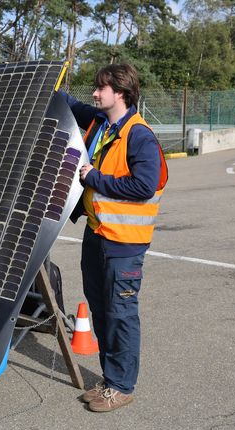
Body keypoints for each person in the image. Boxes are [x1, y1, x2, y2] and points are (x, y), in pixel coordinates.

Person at [64, 63, 168, 412]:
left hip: (124, 243)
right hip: (98, 233)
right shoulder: (101, 124)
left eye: (101, 88)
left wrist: (94, 178)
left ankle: (122, 386)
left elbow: (143, 185)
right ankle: (110, 380)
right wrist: (43, 85)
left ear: (120, 92)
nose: (94, 93)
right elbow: (69, 104)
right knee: (101, 310)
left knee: (120, 313)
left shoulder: (139, 135)